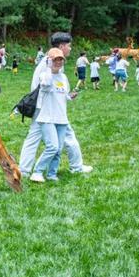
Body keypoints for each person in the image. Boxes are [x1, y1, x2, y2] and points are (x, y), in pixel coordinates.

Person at [18, 32, 93, 177]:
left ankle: (25, 170)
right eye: (69, 46)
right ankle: (75, 167)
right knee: (66, 136)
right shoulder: (51, 63)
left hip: (46, 108)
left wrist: (66, 96)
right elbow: (45, 85)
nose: (70, 49)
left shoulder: (51, 61)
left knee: (35, 137)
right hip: (46, 109)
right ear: (61, 46)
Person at [29, 48, 77, 183]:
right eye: (55, 59)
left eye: (60, 59)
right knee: (52, 146)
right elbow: (46, 85)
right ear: (49, 60)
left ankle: (51, 174)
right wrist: (50, 68)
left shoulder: (63, 77)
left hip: (61, 118)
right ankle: (37, 172)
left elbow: (63, 94)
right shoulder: (44, 75)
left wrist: (70, 96)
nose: (58, 62)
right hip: (47, 118)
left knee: (58, 149)